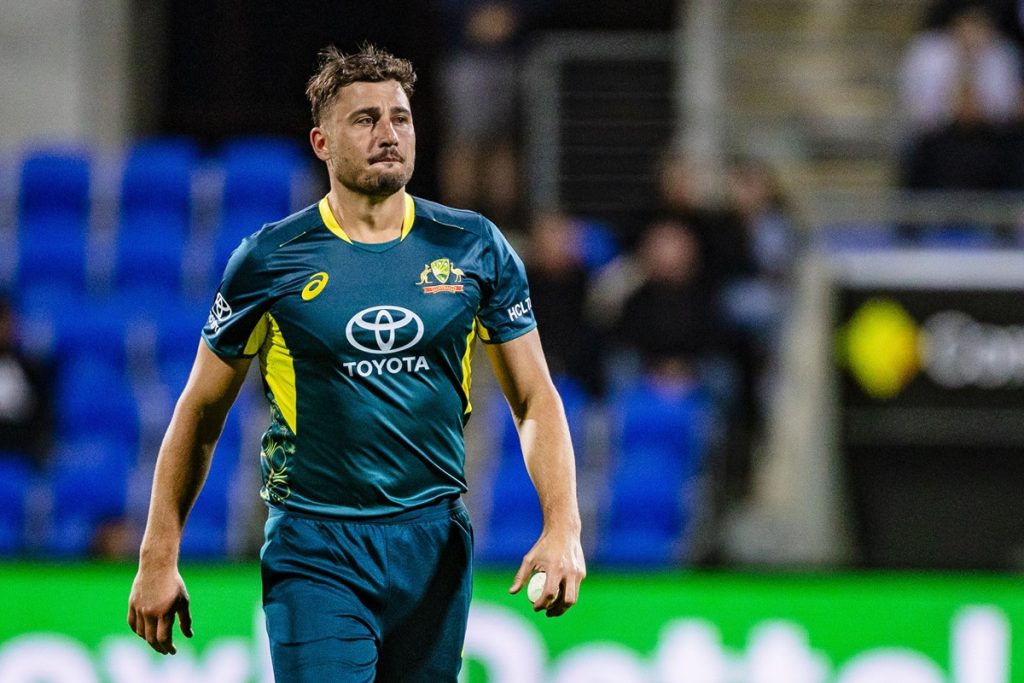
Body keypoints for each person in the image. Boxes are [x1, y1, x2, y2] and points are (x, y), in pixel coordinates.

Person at [127, 44, 585, 681]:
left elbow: (535, 398)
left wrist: (562, 525)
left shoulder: (474, 247)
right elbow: (200, 411)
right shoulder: (270, 260)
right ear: (322, 142)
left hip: (435, 544)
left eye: (401, 117)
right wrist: (158, 553)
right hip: (316, 548)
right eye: (365, 119)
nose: (389, 133)